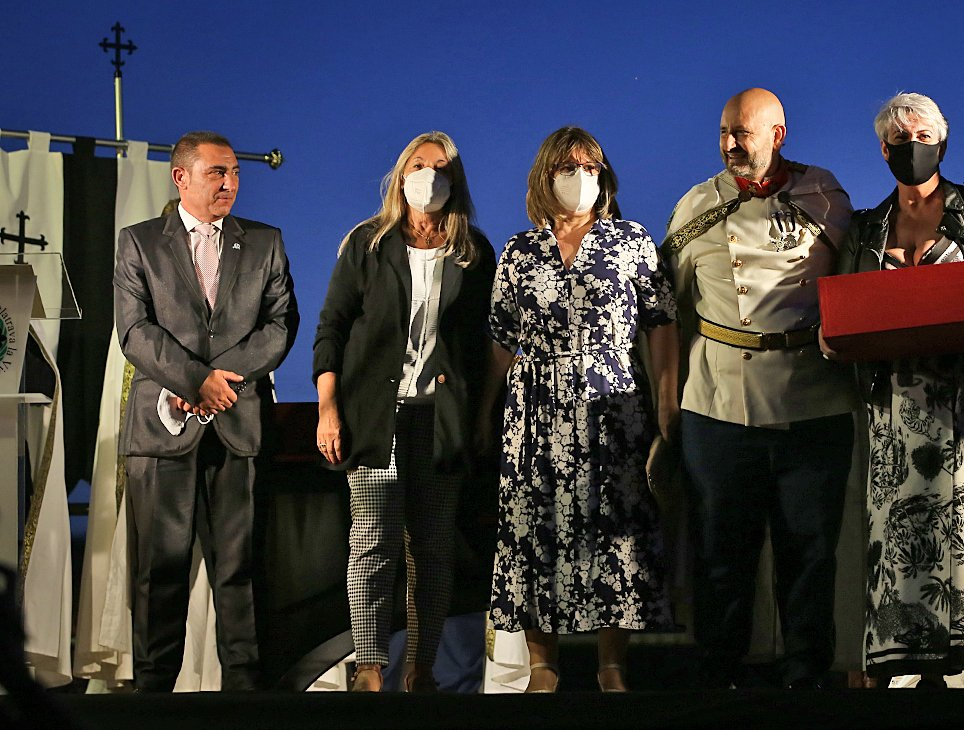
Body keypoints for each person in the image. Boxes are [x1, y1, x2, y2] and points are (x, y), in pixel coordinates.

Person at [830, 93, 964, 688]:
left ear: (943, 143)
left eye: (924, 136)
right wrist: (831, 335)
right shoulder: (867, 228)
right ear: (883, 150)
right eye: (901, 139)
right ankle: (906, 665)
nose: (914, 147)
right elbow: (842, 305)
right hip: (897, 408)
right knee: (904, 532)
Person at [664, 88, 856, 689]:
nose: (730, 144)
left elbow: (857, 278)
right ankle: (718, 681)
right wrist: (666, 401)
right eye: (724, 132)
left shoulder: (825, 197)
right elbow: (667, 309)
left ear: (778, 134)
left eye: (742, 133)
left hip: (813, 399)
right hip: (718, 402)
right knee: (721, 555)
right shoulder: (696, 204)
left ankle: (807, 679)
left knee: (811, 553)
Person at [483, 127, 678, 693]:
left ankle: (611, 665)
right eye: (568, 167)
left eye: (591, 167)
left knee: (617, 526)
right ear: (545, 176)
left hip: (612, 403)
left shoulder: (631, 241)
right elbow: (501, 340)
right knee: (532, 524)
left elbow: (661, 325)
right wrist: (482, 415)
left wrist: (668, 402)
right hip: (534, 407)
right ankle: (542, 665)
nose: (581, 176)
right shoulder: (519, 251)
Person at [114, 130, 298, 691]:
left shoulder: (264, 242)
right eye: (218, 172)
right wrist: (195, 380)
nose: (230, 183)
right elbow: (135, 331)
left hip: (238, 428)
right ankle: (153, 701)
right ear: (181, 177)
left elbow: (281, 324)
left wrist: (223, 382)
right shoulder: (139, 242)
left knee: (241, 574)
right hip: (162, 430)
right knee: (159, 574)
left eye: (235, 172)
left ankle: (246, 700)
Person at [313, 131, 495, 692]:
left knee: (433, 550)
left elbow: (484, 344)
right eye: (418, 164)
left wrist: (479, 418)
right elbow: (331, 328)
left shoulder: (474, 251)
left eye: (441, 167)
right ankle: (369, 668)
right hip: (375, 417)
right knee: (373, 542)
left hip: (440, 421)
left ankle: (421, 668)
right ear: (400, 175)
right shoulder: (368, 243)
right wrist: (327, 408)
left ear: (455, 181)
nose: (428, 175)